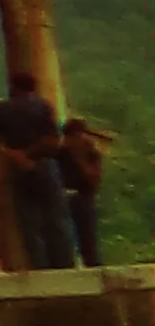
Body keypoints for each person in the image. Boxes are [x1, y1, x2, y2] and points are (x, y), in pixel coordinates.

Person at [0, 83, 78, 271]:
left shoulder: (3, 110)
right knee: (56, 217)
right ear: (33, 88)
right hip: (43, 163)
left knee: (28, 222)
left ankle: (39, 265)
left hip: (17, 169)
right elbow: (53, 140)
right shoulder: (42, 105)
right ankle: (63, 264)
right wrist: (29, 154)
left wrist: (16, 155)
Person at [63, 113, 115, 268]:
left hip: (83, 197)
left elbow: (94, 179)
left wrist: (80, 159)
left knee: (88, 237)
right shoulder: (61, 153)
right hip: (63, 198)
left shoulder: (91, 154)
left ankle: (92, 264)